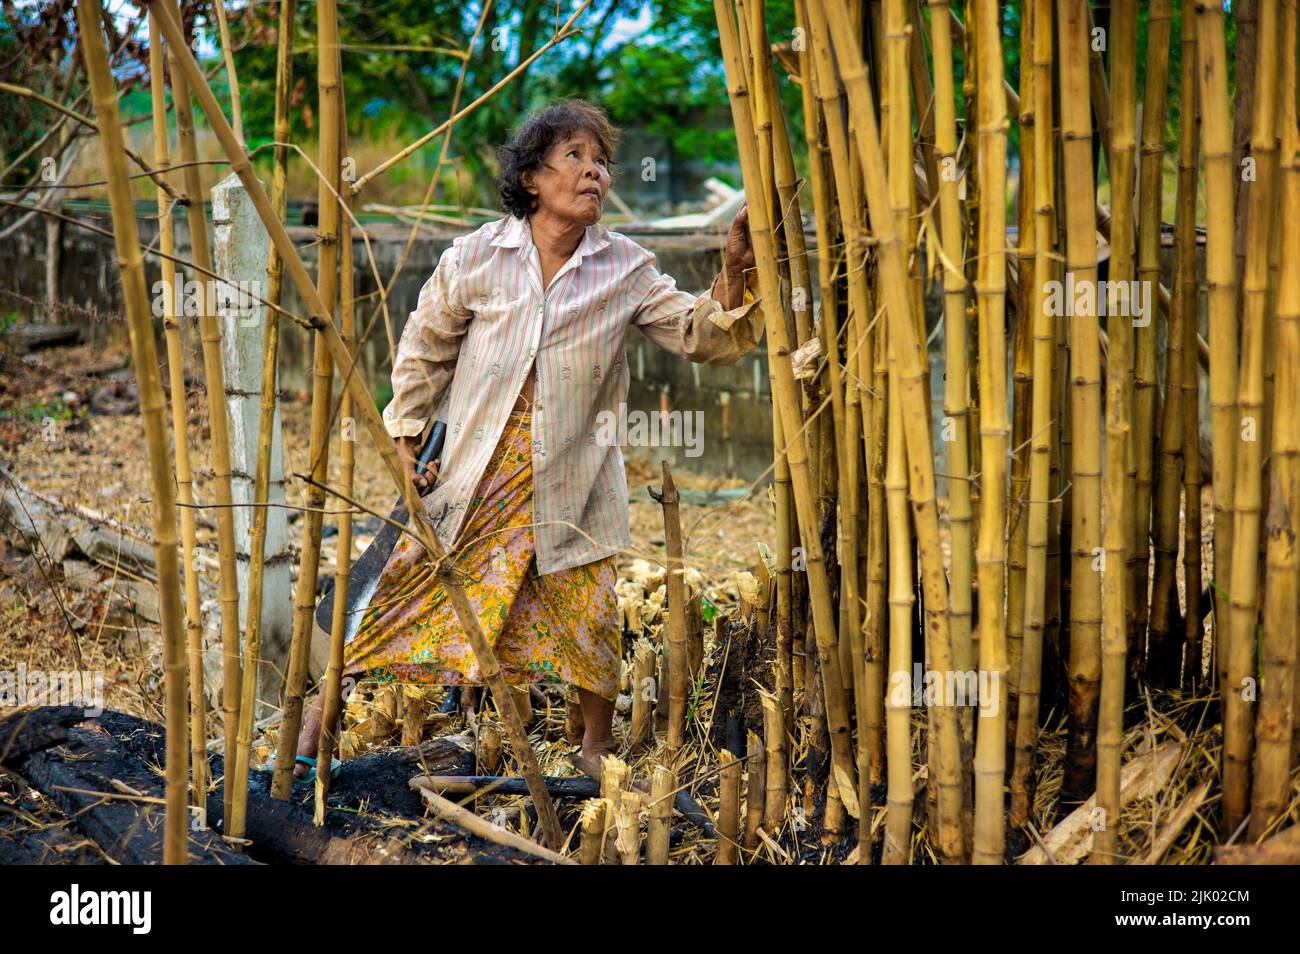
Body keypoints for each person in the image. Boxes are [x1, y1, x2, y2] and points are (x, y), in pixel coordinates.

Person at [292, 98, 763, 778]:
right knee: (407, 590)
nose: (595, 172)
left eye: (603, 161)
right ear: (532, 178)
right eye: (575, 156)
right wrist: (405, 435)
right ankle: (318, 726)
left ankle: (596, 747)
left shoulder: (624, 267)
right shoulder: (477, 256)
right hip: (475, 471)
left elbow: (700, 335)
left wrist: (736, 271)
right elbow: (425, 347)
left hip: (573, 478)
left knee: (590, 608)